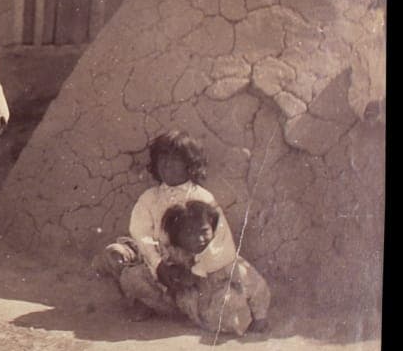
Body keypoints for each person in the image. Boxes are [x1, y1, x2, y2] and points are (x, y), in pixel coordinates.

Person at [92, 130, 238, 322]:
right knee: (118, 258)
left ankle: (171, 306)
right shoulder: (150, 198)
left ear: (190, 165)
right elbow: (141, 234)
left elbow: (218, 242)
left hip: (191, 270)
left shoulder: (203, 199)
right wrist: (158, 265)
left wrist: (194, 272)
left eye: (175, 159)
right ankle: (145, 301)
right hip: (156, 264)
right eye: (162, 158)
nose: (167, 164)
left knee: (199, 294)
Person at [159, 200, 271, 336]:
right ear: (177, 237)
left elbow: (255, 285)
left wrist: (260, 317)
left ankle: (228, 325)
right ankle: (200, 321)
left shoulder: (223, 258)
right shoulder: (178, 254)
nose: (199, 239)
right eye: (189, 233)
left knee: (229, 303)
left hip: (221, 305)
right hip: (200, 306)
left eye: (204, 231)